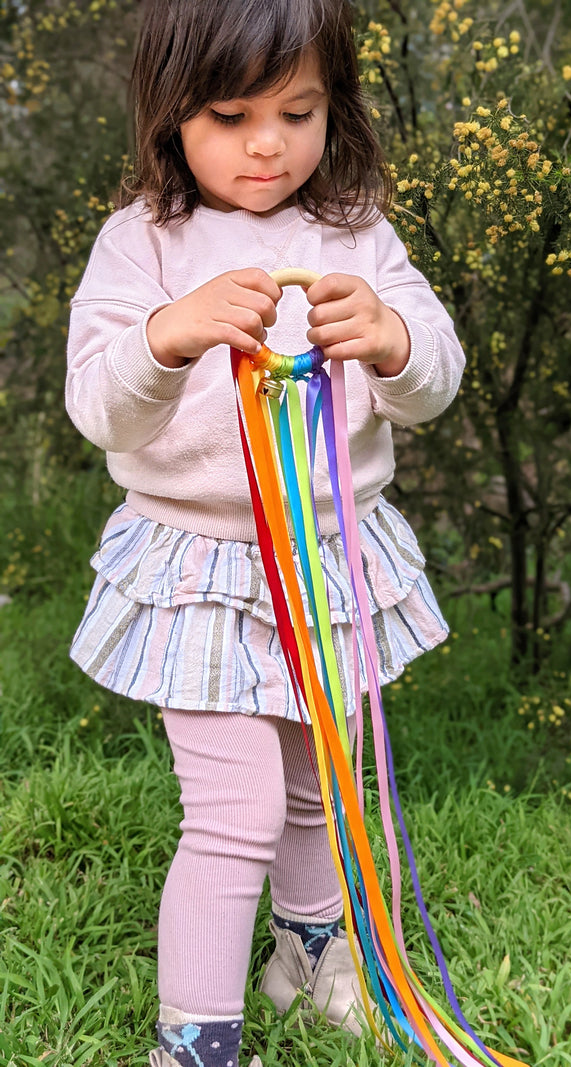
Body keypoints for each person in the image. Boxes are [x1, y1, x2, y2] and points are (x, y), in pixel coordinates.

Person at [65, 1, 464, 1065]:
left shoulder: (355, 234)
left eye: (298, 110)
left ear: (335, 106)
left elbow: (435, 377)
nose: (266, 143)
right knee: (234, 807)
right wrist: (166, 336)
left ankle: (306, 954)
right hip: (199, 566)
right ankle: (195, 1037)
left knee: (317, 779)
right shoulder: (142, 243)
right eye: (230, 114)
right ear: (169, 117)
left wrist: (388, 341)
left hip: (328, 561)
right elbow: (100, 405)